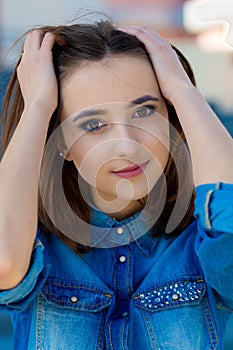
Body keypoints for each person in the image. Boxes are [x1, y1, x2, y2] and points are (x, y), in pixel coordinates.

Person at [0, 18, 232, 350]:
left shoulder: (200, 241)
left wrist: (183, 91)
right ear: (60, 143)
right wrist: (38, 106)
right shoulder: (33, 244)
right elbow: (4, 262)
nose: (126, 144)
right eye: (93, 124)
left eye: (144, 111)